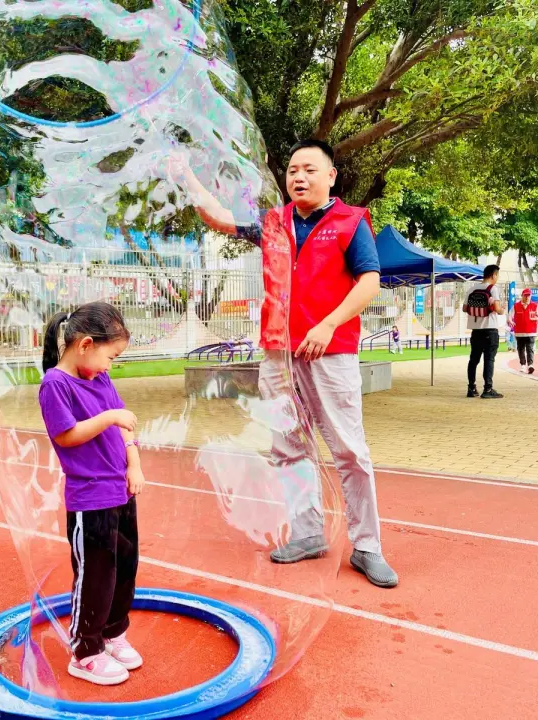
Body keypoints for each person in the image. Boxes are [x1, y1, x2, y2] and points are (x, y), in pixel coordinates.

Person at [171, 139, 398, 588]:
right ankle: (307, 533)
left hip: (331, 352)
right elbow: (218, 216)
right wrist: (187, 177)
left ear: (331, 175)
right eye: (293, 170)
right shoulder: (273, 222)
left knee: (349, 450)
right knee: (289, 448)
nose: (299, 177)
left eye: (310, 169)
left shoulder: (350, 222)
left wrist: (328, 324)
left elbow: (370, 281)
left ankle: (367, 546)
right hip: (278, 353)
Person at [38, 302, 145, 686]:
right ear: (85, 345)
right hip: (91, 498)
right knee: (96, 575)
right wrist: (109, 417)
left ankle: (113, 633)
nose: (109, 367)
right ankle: (85, 651)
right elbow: (66, 435)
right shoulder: (56, 384)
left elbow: (124, 429)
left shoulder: (100, 379)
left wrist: (134, 463)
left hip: (121, 491)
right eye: (110, 357)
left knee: (125, 567)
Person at [463, 265, 506, 398]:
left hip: (475, 331)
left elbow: (464, 308)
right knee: (489, 359)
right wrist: (501, 310)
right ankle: (487, 389)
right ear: (493, 275)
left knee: (473, 360)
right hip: (490, 330)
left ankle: (471, 388)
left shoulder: (472, 289)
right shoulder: (493, 289)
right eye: (497, 275)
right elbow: (497, 309)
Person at [510, 288, 538, 374]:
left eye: (528, 296)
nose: (527, 297)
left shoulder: (535, 305)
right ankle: (523, 365)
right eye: (525, 295)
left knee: (530, 348)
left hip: (531, 331)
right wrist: (510, 321)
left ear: (531, 296)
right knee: (520, 349)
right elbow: (510, 315)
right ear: (522, 296)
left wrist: (536, 318)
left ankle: (530, 365)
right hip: (519, 332)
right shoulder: (516, 306)